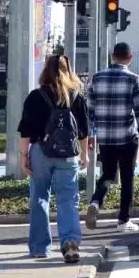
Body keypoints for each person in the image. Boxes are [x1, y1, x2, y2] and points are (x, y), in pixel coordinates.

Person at [17, 53, 91, 263]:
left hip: (40, 151)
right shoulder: (76, 97)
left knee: (39, 198)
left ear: (45, 70)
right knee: (68, 200)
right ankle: (70, 243)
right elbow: (84, 131)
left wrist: (24, 156)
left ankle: (40, 247)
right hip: (68, 155)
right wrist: (84, 154)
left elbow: (25, 131)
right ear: (69, 70)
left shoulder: (35, 96)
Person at [84, 42, 139, 232]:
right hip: (127, 136)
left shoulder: (96, 78)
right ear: (130, 58)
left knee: (107, 174)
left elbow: (89, 110)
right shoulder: (134, 79)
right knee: (127, 178)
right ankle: (123, 220)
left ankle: (96, 202)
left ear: (112, 56)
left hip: (105, 137)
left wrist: (89, 134)